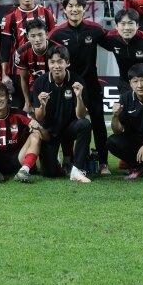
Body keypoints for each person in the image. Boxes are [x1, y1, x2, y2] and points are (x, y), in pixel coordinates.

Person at [49, 0, 110, 174]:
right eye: (70, 6)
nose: (74, 9)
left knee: (98, 123)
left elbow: (114, 43)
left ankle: (103, 163)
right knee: (69, 123)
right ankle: (68, 160)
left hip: (91, 86)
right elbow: (49, 58)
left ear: (84, 9)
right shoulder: (57, 33)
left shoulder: (95, 29)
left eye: (78, 6)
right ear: (65, 9)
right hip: (68, 88)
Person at [31, 45, 92, 182]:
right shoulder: (40, 82)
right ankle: (59, 162)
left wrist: (79, 97)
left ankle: (76, 170)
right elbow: (39, 117)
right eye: (52, 62)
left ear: (67, 63)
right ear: (48, 63)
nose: (56, 66)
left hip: (69, 129)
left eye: (60, 62)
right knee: (49, 173)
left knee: (85, 124)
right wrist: (42, 105)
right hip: (50, 132)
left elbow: (81, 116)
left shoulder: (77, 81)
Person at [0, 0, 56, 109]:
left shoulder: (47, 13)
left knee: (46, 109)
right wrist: (4, 74)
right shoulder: (9, 17)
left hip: (45, 70)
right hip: (19, 72)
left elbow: (54, 41)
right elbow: (5, 48)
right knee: (21, 110)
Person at [14, 19, 50, 115]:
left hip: (55, 88)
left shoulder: (56, 49)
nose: (37, 39)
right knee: (36, 119)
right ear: (28, 37)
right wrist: (27, 102)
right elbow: (24, 78)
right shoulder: (21, 52)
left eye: (40, 35)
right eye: (33, 36)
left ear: (47, 34)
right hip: (34, 90)